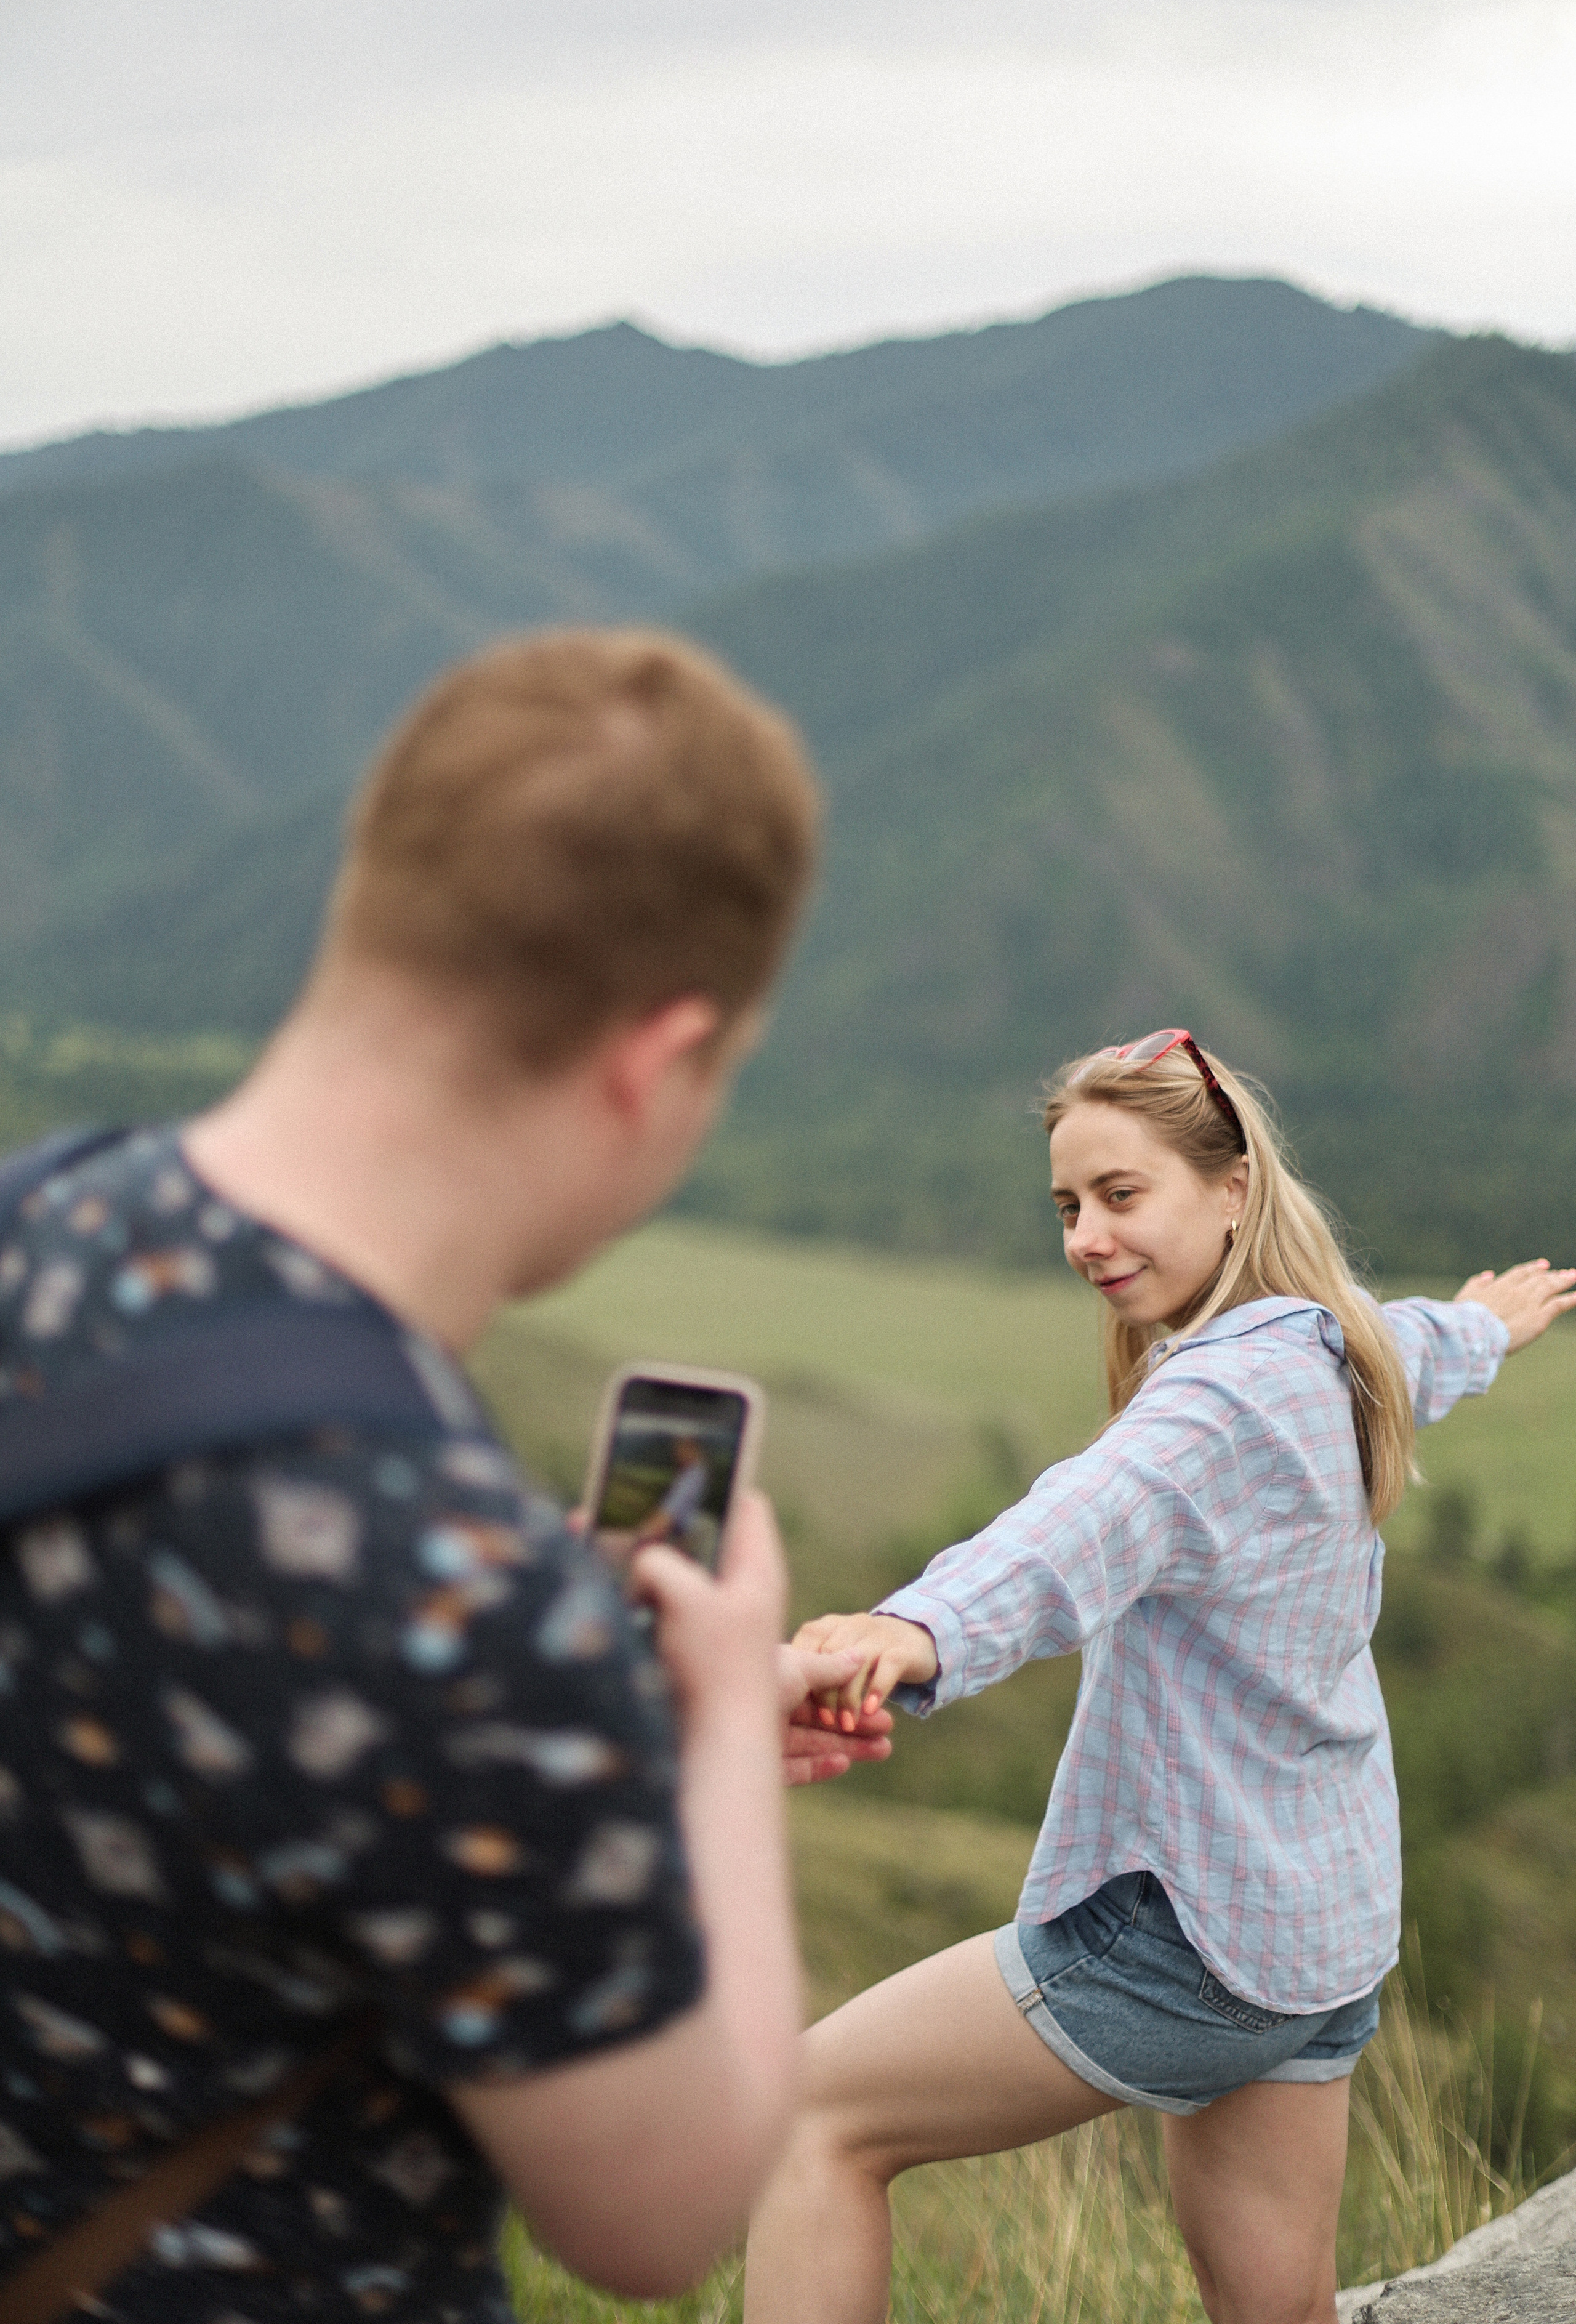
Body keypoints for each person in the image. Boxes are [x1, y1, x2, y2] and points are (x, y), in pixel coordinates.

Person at [0, 629, 889, 2324]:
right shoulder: (468, 1604)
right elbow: (656, 2218)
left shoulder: (36, 1216)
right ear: (654, 1059)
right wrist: (700, 1729)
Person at [755, 1028, 1576, 2324]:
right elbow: (1416, 1344)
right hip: (1316, 1949)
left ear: (1230, 1189)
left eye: (1120, 1195)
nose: (1086, 1235)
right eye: (1068, 1206)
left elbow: (1065, 1532)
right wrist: (1485, 1325)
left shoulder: (1210, 1408)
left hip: (1184, 1941)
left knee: (808, 2119)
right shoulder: (1333, 1351)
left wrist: (903, 1635)